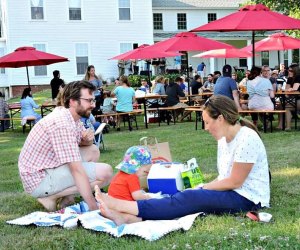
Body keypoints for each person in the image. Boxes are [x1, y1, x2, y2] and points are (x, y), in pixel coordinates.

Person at [95, 95, 270, 225]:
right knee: (186, 196)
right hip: (233, 192)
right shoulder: (224, 139)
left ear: (221, 119)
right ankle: (130, 218)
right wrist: (202, 187)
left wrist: (204, 187)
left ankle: (120, 205)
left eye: (207, 122)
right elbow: (224, 176)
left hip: (248, 198)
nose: (206, 128)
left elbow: (234, 181)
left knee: (191, 197)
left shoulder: (247, 138)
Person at [18, 81, 113, 212]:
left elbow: (86, 144)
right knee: (106, 172)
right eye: (89, 101)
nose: (93, 105)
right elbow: (77, 170)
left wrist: (88, 139)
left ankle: (67, 197)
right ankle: (50, 196)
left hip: (48, 168)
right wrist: (94, 208)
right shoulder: (62, 124)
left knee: (93, 151)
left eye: (93, 100)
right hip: (38, 180)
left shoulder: (71, 116)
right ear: (72, 101)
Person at [278, 64, 300, 130]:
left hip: (298, 99)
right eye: (288, 70)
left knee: (287, 108)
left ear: (295, 71)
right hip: (293, 99)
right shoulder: (290, 78)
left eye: (290, 70)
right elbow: (287, 91)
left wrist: (287, 90)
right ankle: (280, 125)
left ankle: (288, 127)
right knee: (280, 105)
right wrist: (287, 90)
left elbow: (294, 89)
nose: (288, 72)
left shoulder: (298, 77)